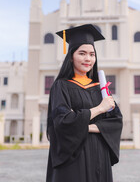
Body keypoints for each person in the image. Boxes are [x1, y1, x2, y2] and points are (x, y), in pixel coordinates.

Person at [46, 24, 123, 182]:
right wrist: (100, 109)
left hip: (100, 156)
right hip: (73, 158)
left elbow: (115, 122)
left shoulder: (100, 88)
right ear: (71, 56)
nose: (88, 59)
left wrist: (83, 126)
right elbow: (62, 122)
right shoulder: (61, 86)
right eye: (82, 53)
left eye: (92, 54)